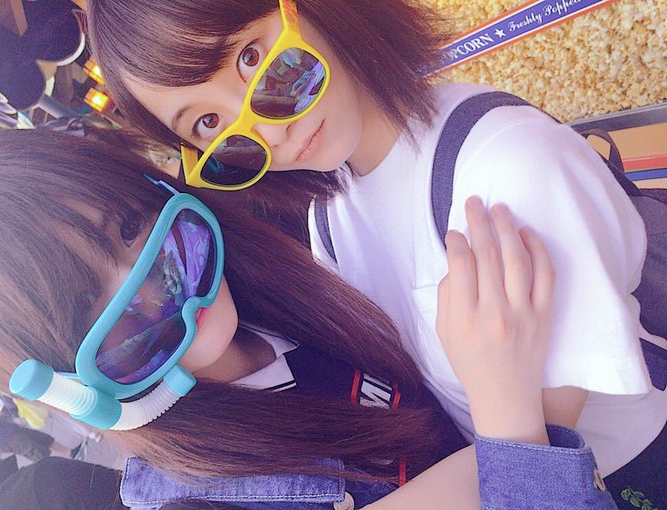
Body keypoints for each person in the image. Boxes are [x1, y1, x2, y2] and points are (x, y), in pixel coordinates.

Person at [85, 0, 666, 503]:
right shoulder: (330, 216)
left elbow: (544, 440)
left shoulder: (506, 171)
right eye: (210, 121)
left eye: (252, 58)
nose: (269, 129)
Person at [0, 129, 616, 509]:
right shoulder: (202, 501)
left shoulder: (276, 277)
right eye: (90, 307)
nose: (156, 290)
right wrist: (515, 410)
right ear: (58, 385)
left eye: (129, 228)